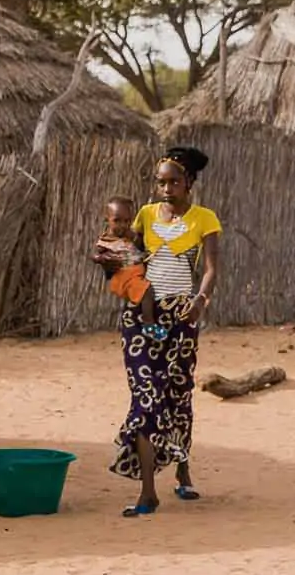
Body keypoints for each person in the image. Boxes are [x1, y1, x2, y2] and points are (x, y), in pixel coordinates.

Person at [112, 146, 223, 517]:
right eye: (161, 182)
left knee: (178, 394)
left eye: (174, 181)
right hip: (142, 319)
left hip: (181, 315)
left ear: (189, 182)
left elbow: (209, 268)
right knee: (146, 398)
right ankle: (147, 492)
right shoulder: (144, 215)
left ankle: (182, 468)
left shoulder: (204, 219)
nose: (166, 188)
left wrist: (200, 300)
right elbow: (132, 258)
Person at [92, 196, 166, 337]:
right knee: (147, 291)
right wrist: (100, 258)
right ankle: (149, 325)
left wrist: (134, 236)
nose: (122, 225)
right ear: (107, 219)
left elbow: (141, 245)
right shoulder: (106, 240)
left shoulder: (129, 236)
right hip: (124, 277)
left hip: (135, 274)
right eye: (117, 220)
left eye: (127, 221)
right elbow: (96, 255)